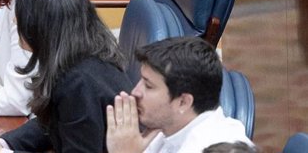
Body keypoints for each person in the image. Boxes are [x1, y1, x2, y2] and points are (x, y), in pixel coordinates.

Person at [0, 0, 132, 153]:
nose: (14, 21)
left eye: (21, 16)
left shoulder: (79, 83)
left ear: (41, 27)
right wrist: (0, 144)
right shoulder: (81, 58)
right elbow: (51, 123)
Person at [106, 37, 254, 153]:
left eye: (148, 86)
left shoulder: (211, 147)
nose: (135, 92)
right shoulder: (169, 126)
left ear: (183, 102)